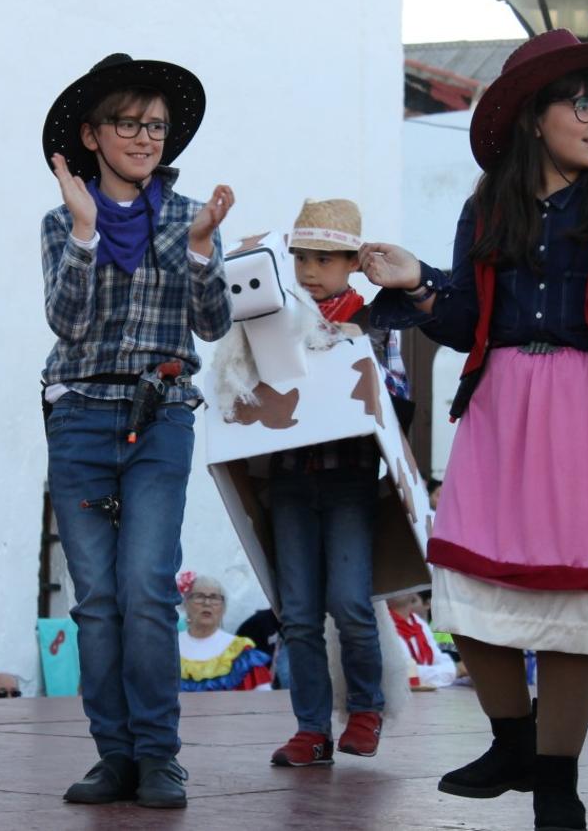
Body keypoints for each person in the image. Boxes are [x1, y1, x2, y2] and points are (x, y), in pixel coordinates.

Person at [361, 29, 588, 831]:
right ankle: (512, 740)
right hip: (502, 404)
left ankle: (556, 781)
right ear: (533, 116)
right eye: (582, 102)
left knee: (575, 603)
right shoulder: (485, 209)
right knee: (472, 582)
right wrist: (420, 284)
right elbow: (470, 319)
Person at [40, 53, 233, 809]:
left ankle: (158, 755)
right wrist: (87, 233)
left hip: (161, 417)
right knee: (95, 599)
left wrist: (201, 251)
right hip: (81, 417)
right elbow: (67, 322)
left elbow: (214, 325)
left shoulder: (189, 218)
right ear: (91, 134)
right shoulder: (62, 221)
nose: (146, 136)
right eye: (129, 122)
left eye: (155, 125)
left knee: (147, 590)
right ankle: (112, 755)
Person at [266, 199, 387, 768]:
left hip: (349, 481)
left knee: (349, 601)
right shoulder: (272, 321)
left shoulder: (376, 320)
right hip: (287, 482)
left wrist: (356, 352)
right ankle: (311, 728)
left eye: (323, 259)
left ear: (351, 264)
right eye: (300, 259)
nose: (310, 271)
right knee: (297, 613)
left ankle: (365, 708)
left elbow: (396, 405)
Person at [176, 573, 271, 693]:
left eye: (214, 598)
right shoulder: (170, 647)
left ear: (223, 608)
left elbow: (264, 697)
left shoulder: (240, 651)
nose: (207, 603)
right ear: (185, 604)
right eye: (199, 597)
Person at [389, 593, 461, 689]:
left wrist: (455, 671)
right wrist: (457, 670)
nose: (396, 585)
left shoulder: (419, 623)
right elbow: (400, 673)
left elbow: (443, 662)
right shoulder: (378, 624)